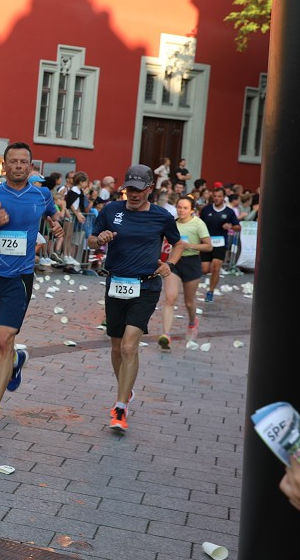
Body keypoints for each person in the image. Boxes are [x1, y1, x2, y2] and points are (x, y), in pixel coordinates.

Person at [0, 142, 63, 438]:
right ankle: (17, 361)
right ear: (4, 165)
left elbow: (53, 213)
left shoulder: (41, 194)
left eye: (23, 162)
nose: (18, 166)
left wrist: (56, 226)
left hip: (20, 278)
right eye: (13, 161)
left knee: (4, 340)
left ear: (31, 167)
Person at [87, 164, 182, 434]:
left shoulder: (162, 217)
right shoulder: (111, 211)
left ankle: (120, 407)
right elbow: (92, 240)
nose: (133, 194)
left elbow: (179, 244)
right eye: (129, 189)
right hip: (116, 283)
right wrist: (99, 239)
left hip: (146, 286)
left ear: (150, 189)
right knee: (116, 347)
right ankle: (126, 390)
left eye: (139, 190)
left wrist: (170, 265)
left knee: (129, 346)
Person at [158, 196, 211, 350]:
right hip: (174, 263)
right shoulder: (172, 223)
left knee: (189, 302)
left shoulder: (198, 224)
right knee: (170, 299)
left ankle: (192, 322)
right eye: (179, 207)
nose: (181, 210)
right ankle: (166, 334)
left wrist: (189, 245)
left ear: (192, 210)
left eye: (185, 208)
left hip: (191, 262)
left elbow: (208, 246)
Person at [199, 186, 240, 302]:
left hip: (221, 243)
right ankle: (208, 280)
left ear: (224, 198)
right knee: (205, 269)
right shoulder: (206, 210)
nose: (217, 199)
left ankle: (210, 292)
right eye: (215, 196)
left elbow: (238, 227)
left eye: (219, 196)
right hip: (207, 242)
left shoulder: (229, 212)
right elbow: (199, 224)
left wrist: (230, 226)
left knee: (216, 268)